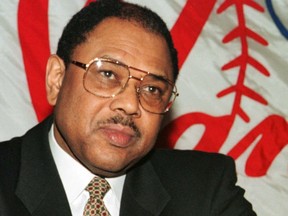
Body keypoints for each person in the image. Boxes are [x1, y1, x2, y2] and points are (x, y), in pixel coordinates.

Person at [0, 0, 256, 215]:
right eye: (109, 74)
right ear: (57, 79)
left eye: (153, 89)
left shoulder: (205, 190)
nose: (130, 104)